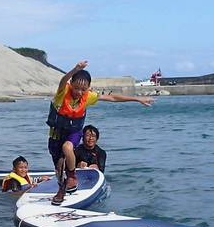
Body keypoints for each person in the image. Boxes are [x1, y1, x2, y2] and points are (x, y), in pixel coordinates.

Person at [47, 60, 151, 204]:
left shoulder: (87, 96)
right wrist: (75, 69)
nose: (79, 92)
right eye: (76, 88)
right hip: (56, 135)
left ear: (88, 88)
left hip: (74, 132)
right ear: (71, 84)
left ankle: (72, 176)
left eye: (83, 89)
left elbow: (112, 97)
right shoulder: (62, 92)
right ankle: (61, 188)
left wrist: (137, 99)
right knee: (58, 167)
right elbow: (63, 80)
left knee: (67, 147)